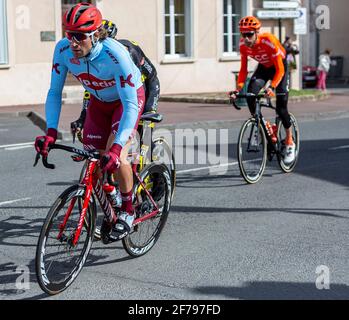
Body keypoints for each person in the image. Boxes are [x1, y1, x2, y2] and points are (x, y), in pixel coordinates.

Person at [34, 3, 145, 240]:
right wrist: (50, 132)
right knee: (92, 162)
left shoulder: (116, 56)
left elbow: (130, 105)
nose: (73, 43)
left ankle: (128, 209)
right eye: (69, 34)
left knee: (118, 156)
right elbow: (54, 92)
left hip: (126, 103)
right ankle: (111, 194)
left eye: (79, 36)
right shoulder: (63, 50)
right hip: (98, 103)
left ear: (95, 35)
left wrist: (116, 147)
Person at [71, 19, 160, 134]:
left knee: (143, 131)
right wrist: (83, 116)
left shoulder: (128, 52)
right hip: (118, 96)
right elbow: (92, 89)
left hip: (145, 87)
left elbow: (151, 76)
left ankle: (149, 147)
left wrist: (150, 109)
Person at [230, 16, 295, 164]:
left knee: (281, 107)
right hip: (264, 68)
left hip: (280, 68)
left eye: (249, 34)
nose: (246, 38)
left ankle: (290, 142)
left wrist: (272, 87)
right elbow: (243, 70)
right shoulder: (243, 46)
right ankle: (265, 127)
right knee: (250, 94)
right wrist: (238, 89)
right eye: (243, 34)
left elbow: (279, 69)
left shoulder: (269, 40)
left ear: (257, 32)